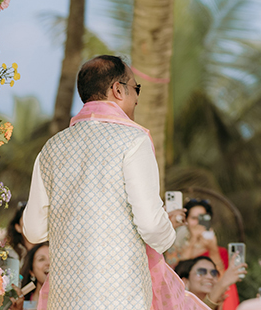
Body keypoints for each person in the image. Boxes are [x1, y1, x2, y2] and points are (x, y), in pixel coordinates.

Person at [23, 56, 179, 310]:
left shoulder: (52, 148)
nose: (138, 98)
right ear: (118, 90)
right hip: (122, 297)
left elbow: (34, 230)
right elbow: (151, 224)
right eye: (136, 88)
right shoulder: (133, 140)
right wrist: (168, 237)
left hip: (65, 299)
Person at [176, 256, 245, 310]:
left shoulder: (218, 303)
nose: (210, 277)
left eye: (214, 273)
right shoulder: (175, 305)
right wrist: (220, 286)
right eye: (201, 272)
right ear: (185, 282)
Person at [18, 243, 49, 309]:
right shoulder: (21, 304)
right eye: (41, 259)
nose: (48, 263)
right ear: (31, 271)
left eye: (53, 258)